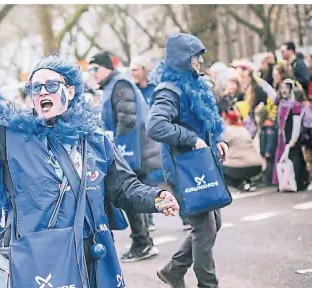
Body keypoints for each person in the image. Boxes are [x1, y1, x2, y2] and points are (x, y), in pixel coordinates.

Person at [0, 29, 179, 288]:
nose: (43, 92)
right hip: (41, 257)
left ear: (70, 91)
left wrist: (156, 198)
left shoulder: (95, 140)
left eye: (50, 85)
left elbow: (124, 187)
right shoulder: (11, 135)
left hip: (91, 251)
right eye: (35, 88)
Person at [147, 33, 228, 288]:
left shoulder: (196, 83)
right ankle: (207, 284)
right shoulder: (169, 90)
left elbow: (207, 119)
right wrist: (192, 139)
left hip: (198, 165)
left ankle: (174, 269)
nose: (200, 61)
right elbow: (156, 126)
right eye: (195, 56)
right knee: (204, 229)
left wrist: (218, 137)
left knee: (213, 222)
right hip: (183, 170)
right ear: (183, 58)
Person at [89, 50, 164, 262]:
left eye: (96, 68)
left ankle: (142, 243)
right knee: (132, 196)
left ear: (108, 68)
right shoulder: (112, 86)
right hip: (132, 150)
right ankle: (143, 241)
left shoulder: (119, 85)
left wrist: (114, 147)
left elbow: (127, 119)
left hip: (133, 152)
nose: (92, 73)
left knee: (130, 196)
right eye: (90, 70)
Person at [272, 79, 309, 191]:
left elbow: (297, 123)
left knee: (295, 160)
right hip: (281, 137)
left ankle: (297, 183)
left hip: (291, 137)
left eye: (286, 88)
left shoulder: (295, 106)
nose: (284, 90)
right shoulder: (280, 104)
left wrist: (294, 138)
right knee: (282, 160)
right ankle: (283, 183)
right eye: (282, 88)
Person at [220, 111, 264, 192]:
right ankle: (248, 182)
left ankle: (239, 184)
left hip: (237, 168)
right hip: (256, 165)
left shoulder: (226, 131)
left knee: (220, 166)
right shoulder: (243, 129)